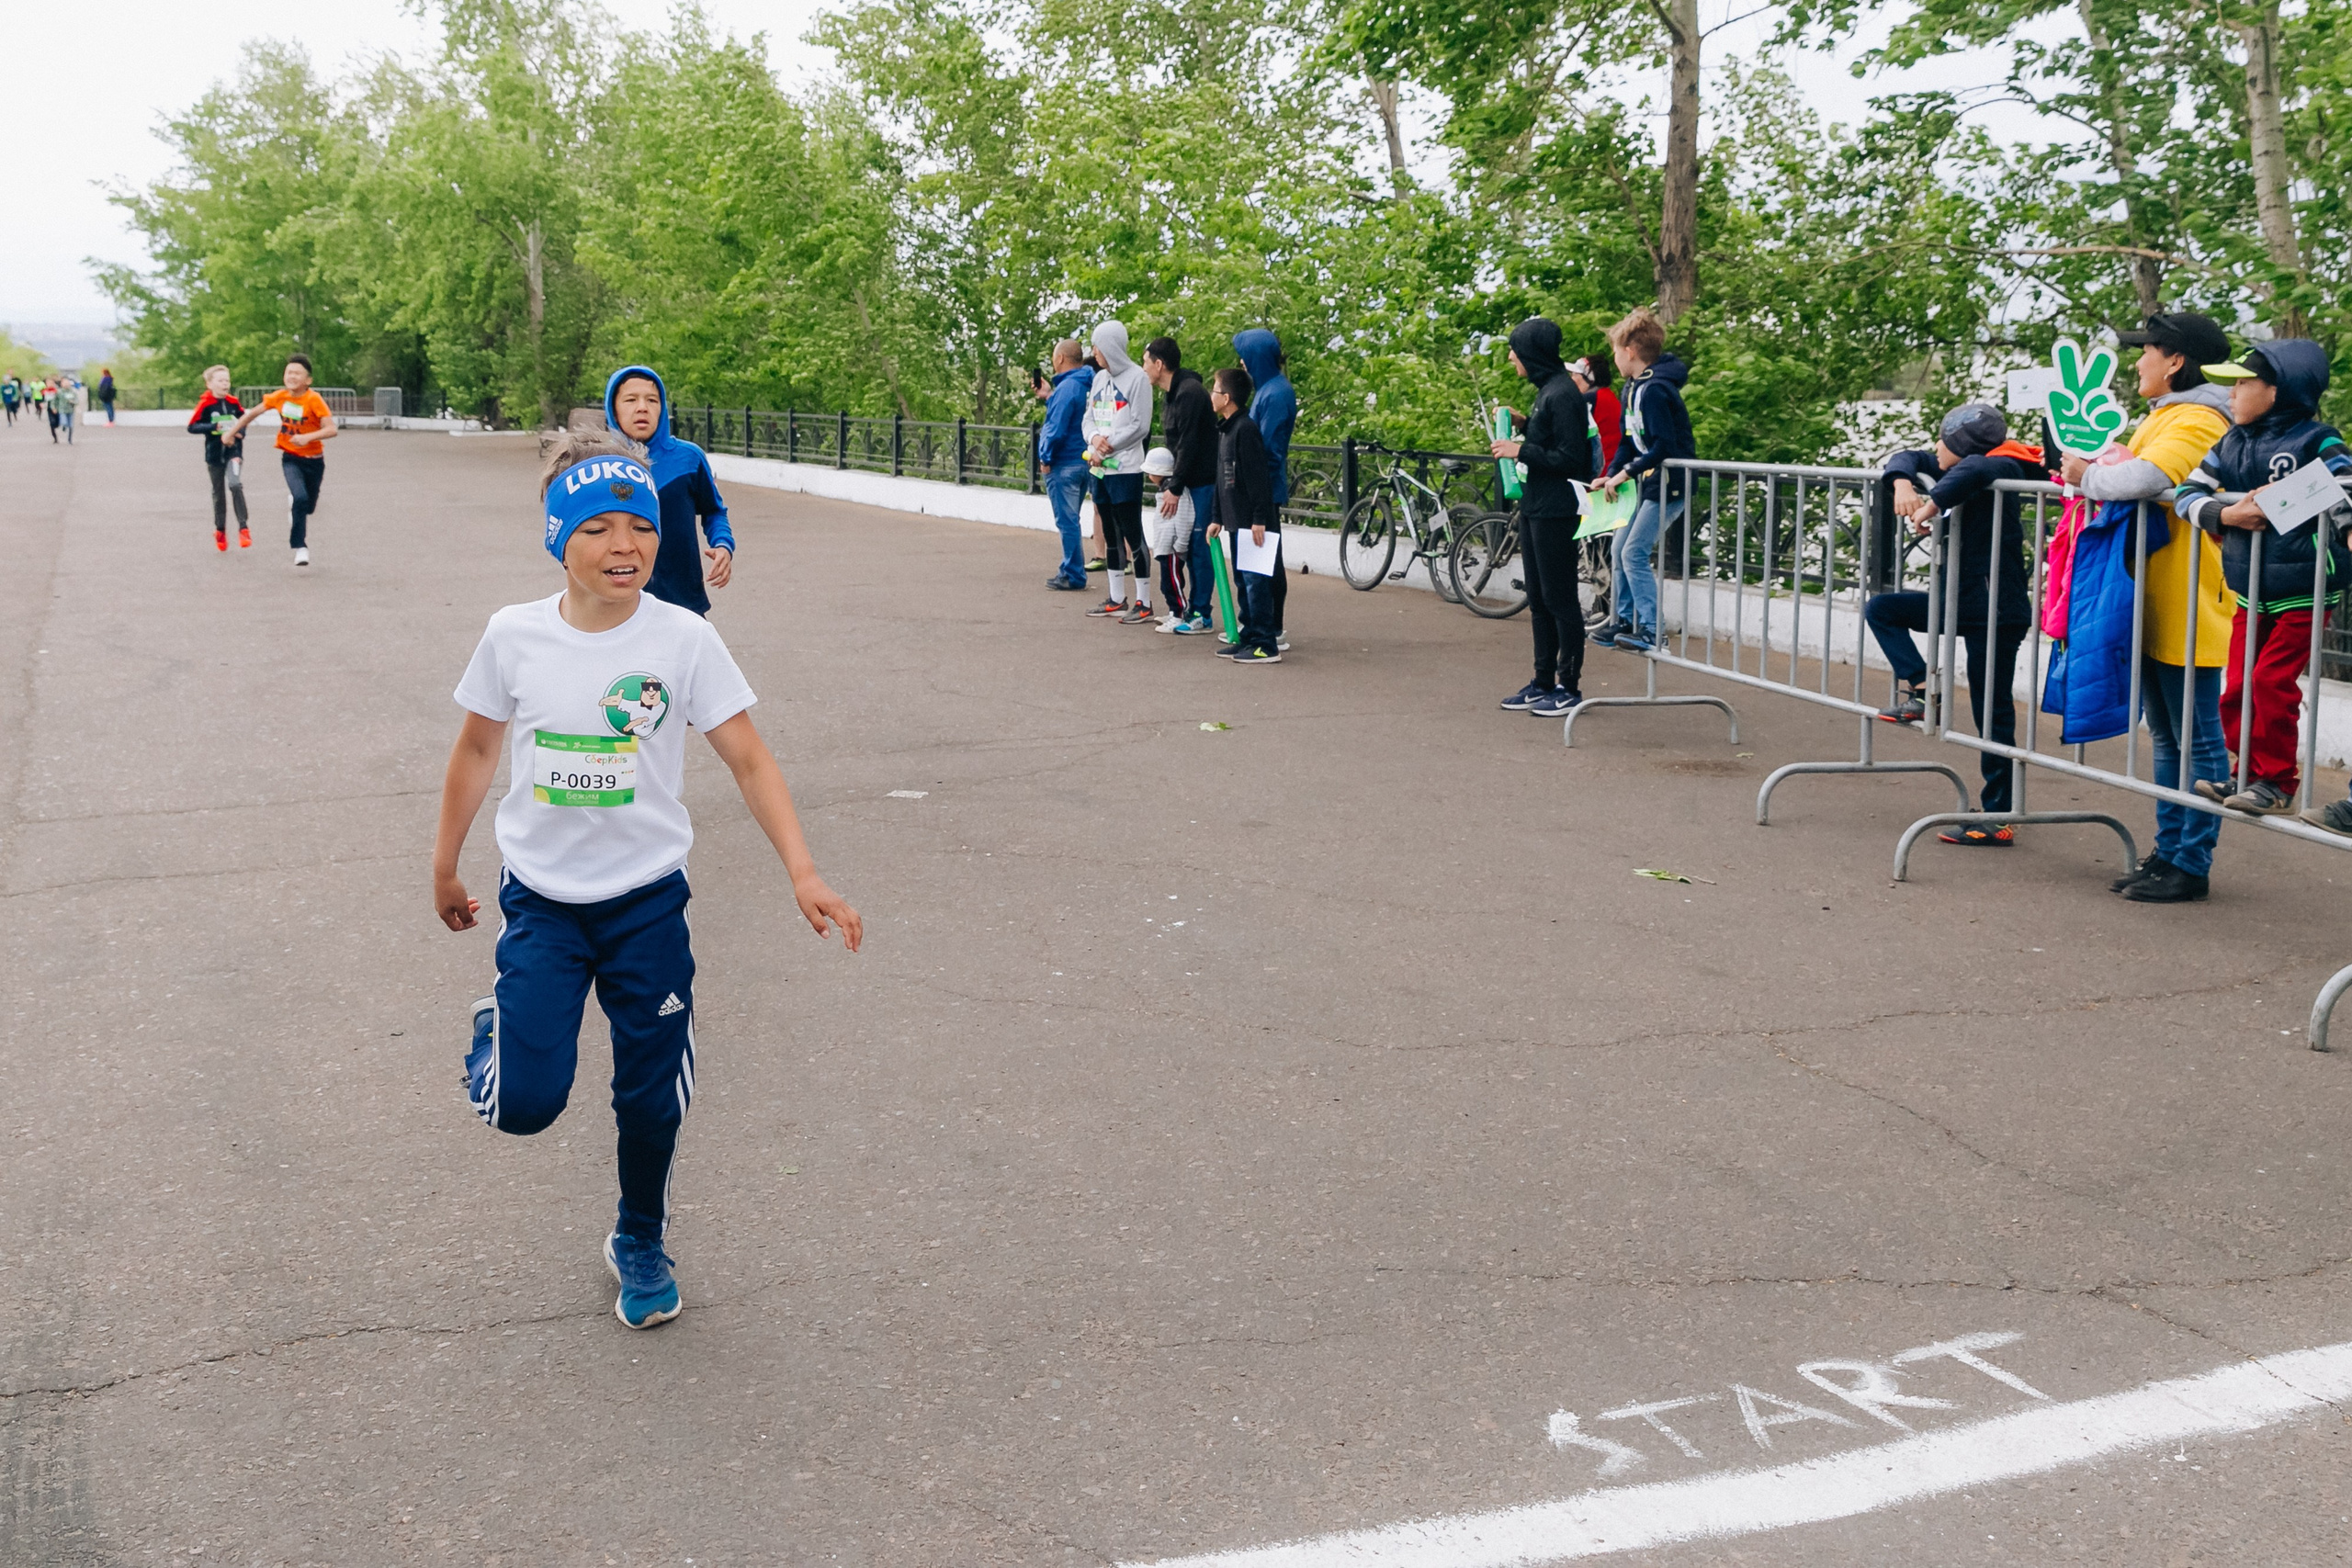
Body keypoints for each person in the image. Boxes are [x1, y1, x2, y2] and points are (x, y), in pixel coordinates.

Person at [434, 430, 862, 1331]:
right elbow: (477, 750)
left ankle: (639, 1233)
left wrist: (805, 871)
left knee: (650, 1094)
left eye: (641, 524)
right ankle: (501, 1030)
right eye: (597, 528)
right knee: (522, 1107)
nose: (624, 545)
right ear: (558, 539)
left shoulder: (684, 638)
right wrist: (446, 863)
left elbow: (748, 758)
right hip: (543, 905)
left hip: (646, 908)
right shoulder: (514, 636)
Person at [2052, 312, 2233, 904]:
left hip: (2189, 600)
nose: (2138, 362)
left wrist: (2085, 475)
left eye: (2147, 351)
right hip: (2158, 598)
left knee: (2197, 738)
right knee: (2166, 735)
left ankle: (2192, 862)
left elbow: (2150, 477)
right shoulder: (2170, 415)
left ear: (2175, 360)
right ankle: (2169, 849)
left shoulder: (2201, 416)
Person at [2177, 339, 2352, 826]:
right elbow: (2186, 492)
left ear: (2280, 391)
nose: (2230, 394)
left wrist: (2274, 504)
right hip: (2250, 589)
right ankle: (2247, 772)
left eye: (2242, 383)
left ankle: (2275, 783)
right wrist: (2228, 512)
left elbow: (2343, 485)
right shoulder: (2229, 442)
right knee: (2237, 686)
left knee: (2270, 682)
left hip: (2305, 588)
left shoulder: (2317, 439)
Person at [1865, 403, 2042, 845]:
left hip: (1997, 611)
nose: (1935, 449)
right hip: (1959, 604)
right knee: (1882, 610)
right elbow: (1906, 456)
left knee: (1992, 712)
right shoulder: (1953, 463)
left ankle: (1999, 816)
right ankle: (1923, 691)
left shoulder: (2003, 467)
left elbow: (1981, 467)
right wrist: (1903, 483)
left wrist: (1931, 505)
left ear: (1960, 448)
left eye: (1943, 441)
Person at [1490, 318, 1596, 717]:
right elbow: (1550, 437)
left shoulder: (1564, 394)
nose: (1511, 356)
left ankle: (1569, 686)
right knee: (1537, 598)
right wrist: (1524, 425)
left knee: (1559, 598)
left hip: (1557, 509)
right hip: (1536, 506)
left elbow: (1572, 459)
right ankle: (1542, 680)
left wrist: (1521, 451)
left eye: (1515, 348)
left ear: (1533, 352)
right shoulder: (1547, 392)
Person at [1592, 310, 1694, 651]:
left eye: (1617, 351)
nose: (1615, 358)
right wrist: (1609, 474)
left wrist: (1625, 472)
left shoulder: (1654, 391)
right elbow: (1627, 441)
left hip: (1671, 482)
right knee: (1620, 548)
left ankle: (1652, 630)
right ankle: (1623, 620)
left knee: (1634, 551)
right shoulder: (1632, 388)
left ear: (1630, 350)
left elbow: (1663, 445)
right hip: (1649, 481)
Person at [601, 367, 735, 615]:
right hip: (617, 604)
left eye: (652, 400)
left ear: (662, 408)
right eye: (630, 400)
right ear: (614, 408)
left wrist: (723, 545)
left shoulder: (688, 458)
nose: (642, 407)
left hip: (683, 601)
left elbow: (714, 511)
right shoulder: (598, 464)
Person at [222, 355, 338, 566]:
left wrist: (307, 437)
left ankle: (296, 504)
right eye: (288, 372)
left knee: (308, 506)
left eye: (297, 373)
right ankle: (300, 546)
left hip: (314, 461)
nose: (292, 376)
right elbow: (250, 415)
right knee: (301, 498)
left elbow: (331, 429)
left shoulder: (314, 400)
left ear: (308, 380)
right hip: (291, 459)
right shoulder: (279, 397)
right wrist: (231, 432)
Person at [1206, 366, 1282, 663]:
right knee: (1242, 581)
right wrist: (1216, 516)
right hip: (1236, 521)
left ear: (1226, 397)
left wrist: (1260, 518)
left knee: (1256, 582)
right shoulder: (1226, 430)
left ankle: (1266, 643)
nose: (1210, 395)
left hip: (1253, 524)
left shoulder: (1246, 429)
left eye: (1214, 389)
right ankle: (1249, 635)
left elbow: (1258, 478)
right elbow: (1220, 479)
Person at [1083, 321, 1154, 623]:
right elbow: (1089, 418)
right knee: (1109, 531)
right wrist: (1093, 440)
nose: (1094, 352)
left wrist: (1107, 445)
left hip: (1124, 468)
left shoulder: (1138, 379)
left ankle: (1145, 600)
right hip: (1099, 469)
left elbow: (1140, 425)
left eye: (1097, 346)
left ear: (1110, 346)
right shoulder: (1099, 379)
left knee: (1130, 531)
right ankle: (1116, 597)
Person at [1145, 336, 1216, 633]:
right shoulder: (1171, 394)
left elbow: (1189, 444)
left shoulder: (1189, 393)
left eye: (1146, 362)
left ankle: (1201, 613)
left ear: (1160, 364)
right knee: (1182, 545)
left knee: (1199, 547)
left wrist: (1174, 486)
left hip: (1201, 482)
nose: (1143, 368)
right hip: (1187, 481)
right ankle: (1185, 610)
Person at [1232, 330, 1295, 649]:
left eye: (1244, 355)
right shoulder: (1267, 389)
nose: (1241, 362)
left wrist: (1253, 488)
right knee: (1264, 560)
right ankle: (1261, 625)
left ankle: (1270, 629)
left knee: (1264, 562)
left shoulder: (1275, 394)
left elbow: (1267, 449)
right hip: (1262, 487)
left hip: (1265, 488)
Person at [1036, 339, 1093, 591]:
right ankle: (1072, 569)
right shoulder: (1085, 383)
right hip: (1083, 459)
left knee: (1067, 520)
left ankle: (1072, 573)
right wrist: (1049, 396)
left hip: (1064, 463)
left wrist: (1045, 457)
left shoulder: (1067, 387)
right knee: (1073, 518)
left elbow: (1057, 428)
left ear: (1060, 358)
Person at [187, 365, 253, 551]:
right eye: (221, 380)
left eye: (227, 380)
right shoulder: (205, 404)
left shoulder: (233, 403)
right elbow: (192, 426)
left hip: (234, 452)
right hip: (214, 456)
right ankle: (220, 530)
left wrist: (240, 432)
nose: (225, 384)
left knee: (234, 484)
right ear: (209, 384)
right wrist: (212, 428)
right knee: (218, 495)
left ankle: (243, 527)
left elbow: (244, 420)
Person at [1573, 353, 1623, 473]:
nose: (1571, 379)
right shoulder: (1608, 395)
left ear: (1588, 378)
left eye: (1575, 374)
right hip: (1614, 466)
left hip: (1600, 471)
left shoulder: (1590, 399)